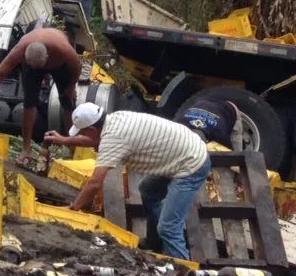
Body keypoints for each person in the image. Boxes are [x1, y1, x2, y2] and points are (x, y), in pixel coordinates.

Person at [43, 103, 211, 261]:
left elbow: (94, 183)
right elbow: (95, 140)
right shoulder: (114, 119)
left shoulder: (113, 139)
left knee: (168, 227)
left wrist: (73, 209)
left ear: (93, 129)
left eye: (83, 132)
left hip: (191, 164)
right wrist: (64, 140)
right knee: (148, 191)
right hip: (182, 150)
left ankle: (184, 274)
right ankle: (154, 243)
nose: (82, 135)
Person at [0, 26, 81, 166]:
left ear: (48, 56)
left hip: (59, 66)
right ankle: (26, 149)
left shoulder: (63, 49)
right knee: (29, 103)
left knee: (67, 101)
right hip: (31, 66)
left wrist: (71, 87)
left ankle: (72, 146)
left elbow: (77, 66)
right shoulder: (20, 50)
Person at [179, 98, 245, 152]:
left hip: (231, 110)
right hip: (205, 107)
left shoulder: (219, 133)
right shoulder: (180, 123)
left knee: (236, 156)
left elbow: (228, 153)